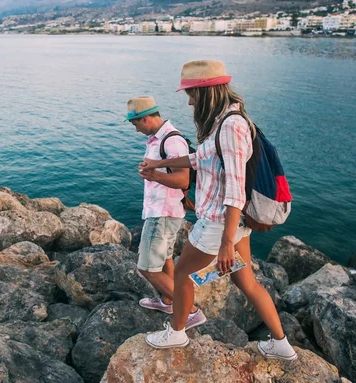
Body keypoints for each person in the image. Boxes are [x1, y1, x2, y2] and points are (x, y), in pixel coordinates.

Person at [140, 61, 297, 361]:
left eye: (191, 93)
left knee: (183, 273)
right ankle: (281, 345)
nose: (188, 101)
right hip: (232, 223)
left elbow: (237, 189)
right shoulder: (223, 122)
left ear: (205, 91)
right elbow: (200, 158)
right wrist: (158, 165)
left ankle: (176, 333)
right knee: (245, 280)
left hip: (220, 222)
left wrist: (226, 243)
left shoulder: (232, 127)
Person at [126, 95, 206, 329]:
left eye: (136, 124)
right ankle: (169, 300)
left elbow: (182, 180)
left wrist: (154, 175)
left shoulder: (172, 142)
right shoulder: (156, 139)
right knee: (166, 258)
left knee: (147, 267)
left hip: (163, 212)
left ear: (147, 118)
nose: (135, 129)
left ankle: (190, 310)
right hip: (163, 210)